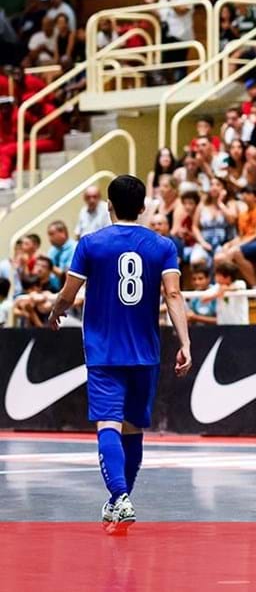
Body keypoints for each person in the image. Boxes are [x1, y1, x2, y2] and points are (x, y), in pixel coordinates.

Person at [46, 175, 192, 533]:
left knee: (107, 423)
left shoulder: (91, 244)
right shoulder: (162, 246)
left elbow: (68, 293)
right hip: (145, 352)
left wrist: (55, 311)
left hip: (104, 352)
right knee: (133, 427)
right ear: (143, 208)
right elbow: (173, 295)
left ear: (109, 206)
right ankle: (119, 500)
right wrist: (185, 341)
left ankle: (120, 496)